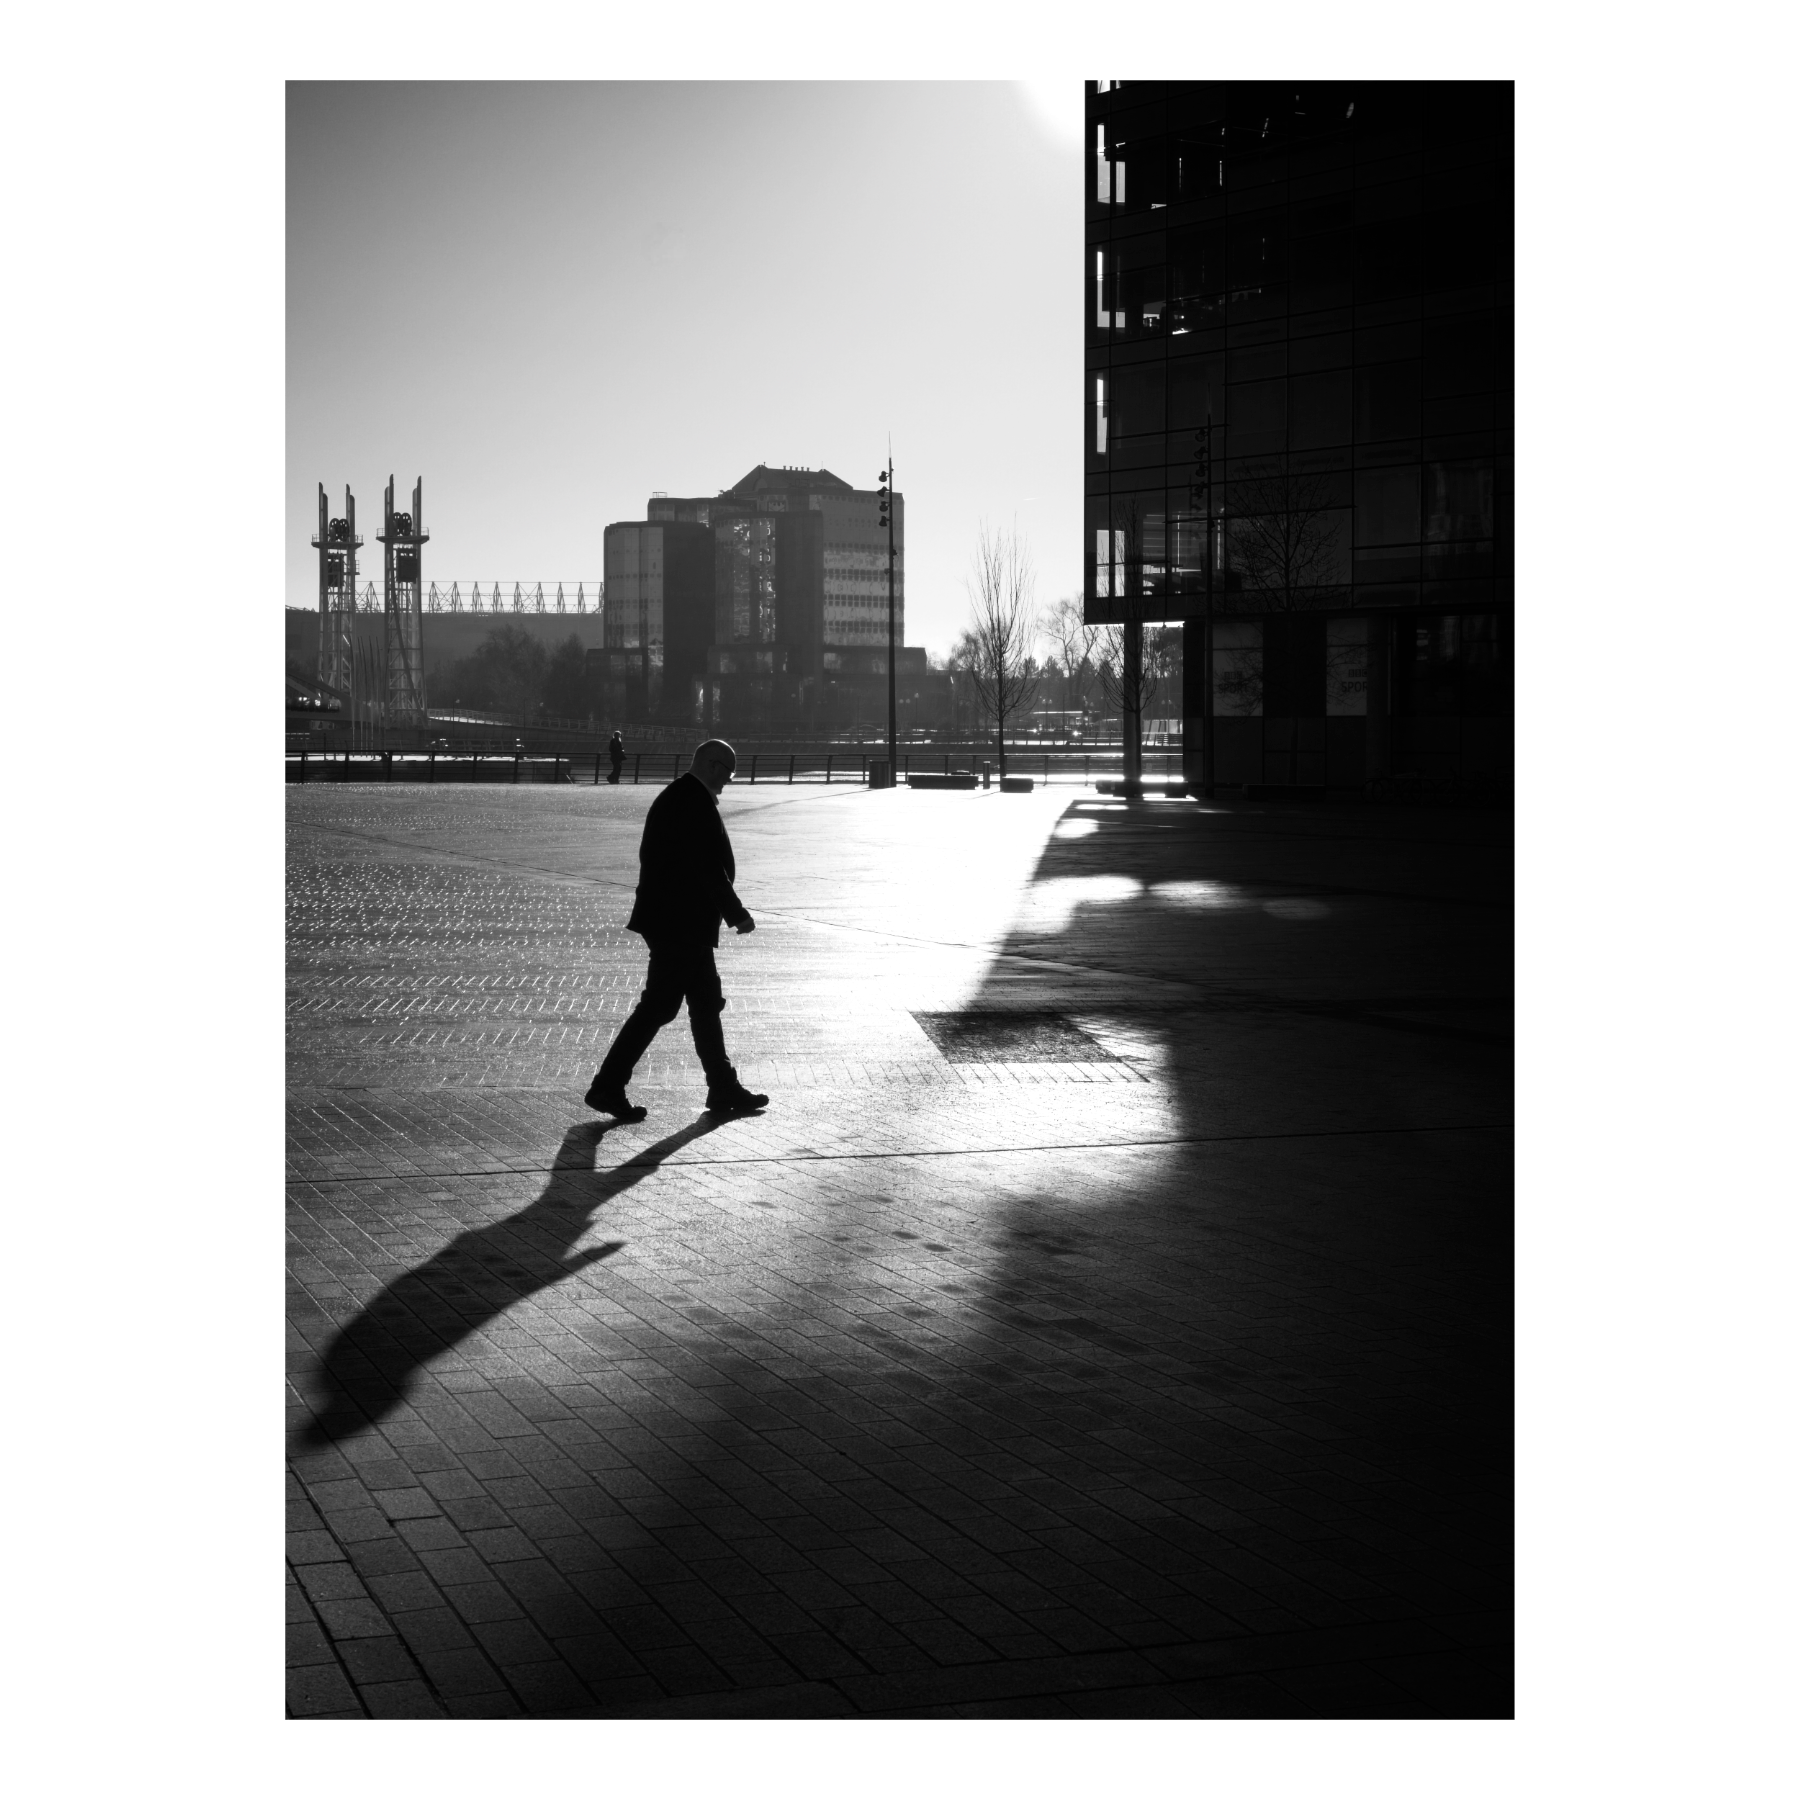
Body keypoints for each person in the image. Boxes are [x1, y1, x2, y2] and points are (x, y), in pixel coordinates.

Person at [585, 739, 769, 1121]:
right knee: (660, 1006)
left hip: (680, 922)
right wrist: (736, 914)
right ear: (714, 766)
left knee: (705, 1005)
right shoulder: (691, 801)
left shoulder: (680, 795)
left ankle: (722, 1086)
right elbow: (706, 867)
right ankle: (607, 1086)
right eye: (729, 773)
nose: (728, 781)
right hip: (679, 922)